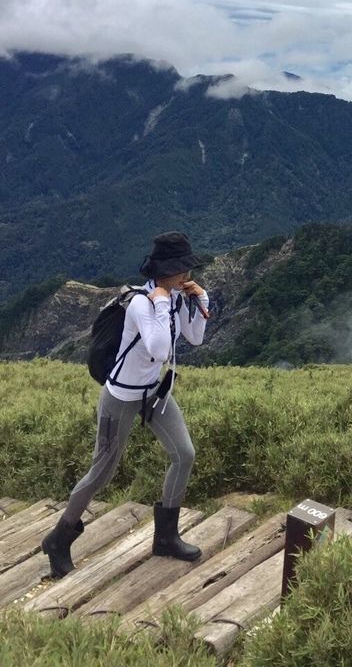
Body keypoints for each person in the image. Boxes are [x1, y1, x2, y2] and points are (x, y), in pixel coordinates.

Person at [41, 231, 211, 578]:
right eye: (184, 271)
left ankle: (165, 537)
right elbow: (159, 349)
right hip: (120, 396)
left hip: (153, 393)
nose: (188, 276)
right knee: (102, 472)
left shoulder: (176, 299)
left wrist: (201, 298)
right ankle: (58, 539)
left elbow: (195, 337)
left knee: (184, 454)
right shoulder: (140, 304)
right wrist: (163, 302)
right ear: (168, 271)